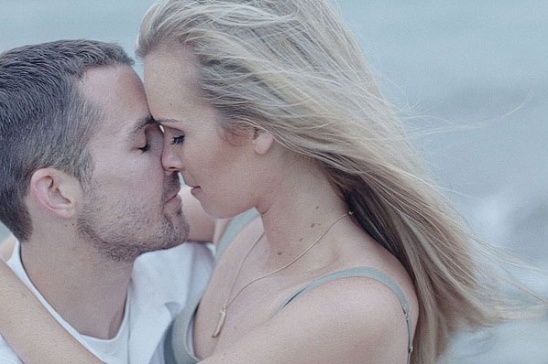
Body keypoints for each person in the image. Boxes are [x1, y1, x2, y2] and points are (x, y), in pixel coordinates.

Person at [0, 1, 544, 363]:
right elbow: (79, 219)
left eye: (177, 135)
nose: (168, 160)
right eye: (153, 139)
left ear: (258, 129)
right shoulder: (237, 222)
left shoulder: (353, 306)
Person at [0, 39, 213, 364]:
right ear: (57, 192)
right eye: (144, 144)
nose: (173, 159)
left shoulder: (201, 272)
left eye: (167, 133)